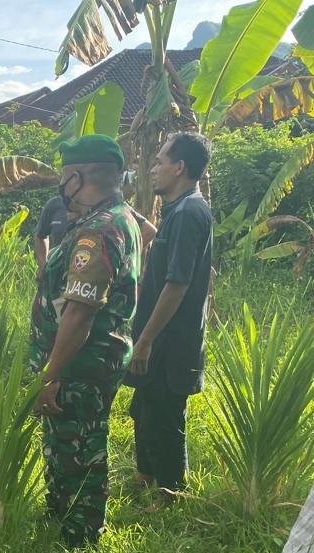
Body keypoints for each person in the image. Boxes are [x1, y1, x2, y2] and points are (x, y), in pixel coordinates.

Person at [29, 134, 142, 548]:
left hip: (81, 362)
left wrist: (50, 374)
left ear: (77, 177)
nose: (62, 187)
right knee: (65, 441)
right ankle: (60, 516)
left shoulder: (100, 229)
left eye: (64, 177)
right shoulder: (117, 217)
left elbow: (80, 311)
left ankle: (79, 538)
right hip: (84, 360)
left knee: (80, 446)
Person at [125, 133, 214, 501]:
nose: (154, 167)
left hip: (170, 340)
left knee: (165, 415)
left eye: (160, 160)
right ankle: (146, 477)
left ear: (180, 167)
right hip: (155, 335)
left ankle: (171, 494)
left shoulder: (190, 212)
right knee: (143, 408)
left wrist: (145, 341)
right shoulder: (177, 211)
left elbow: (177, 284)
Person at [35, 185, 155, 272]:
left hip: (91, 276)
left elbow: (149, 231)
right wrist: (44, 267)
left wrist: (117, 259)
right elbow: (40, 236)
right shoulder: (55, 204)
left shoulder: (107, 203)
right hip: (59, 274)